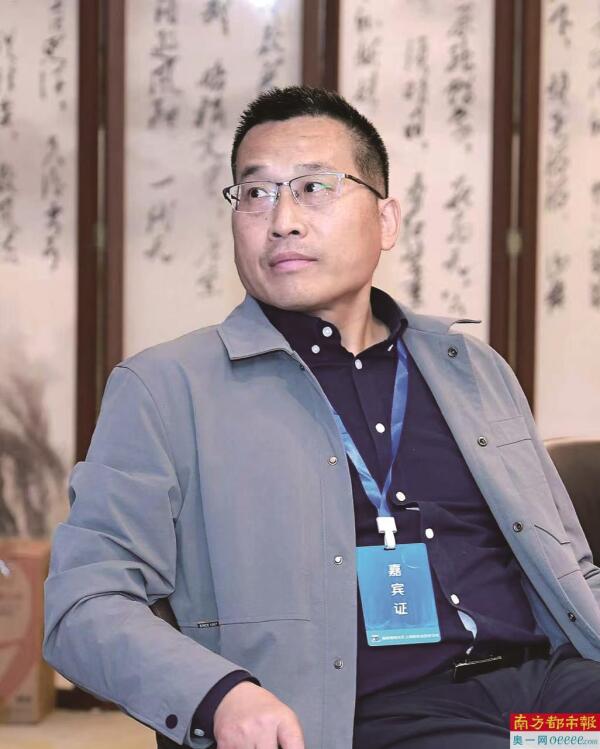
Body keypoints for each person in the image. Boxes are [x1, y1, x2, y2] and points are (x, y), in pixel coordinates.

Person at [43, 86, 600, 749]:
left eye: (313, 188)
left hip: (543, 708)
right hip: (375, 720)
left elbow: (573, 567)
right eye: (255, 193)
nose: (282, 220)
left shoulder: (472, 368)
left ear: (386, 220)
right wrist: (220, 695)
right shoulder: (165, 389)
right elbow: (84, 603)